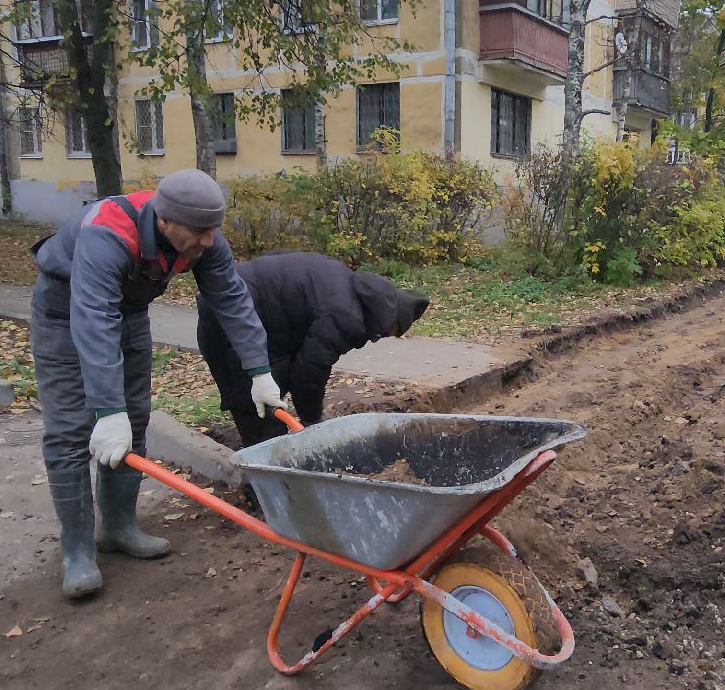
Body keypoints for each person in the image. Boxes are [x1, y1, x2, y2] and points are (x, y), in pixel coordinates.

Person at [31, 170, 283, 598]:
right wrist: (106, 411)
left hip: (128, 312)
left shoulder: (203, 238)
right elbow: (93, 321)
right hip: (63, 314)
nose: (207, 241)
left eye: (212, 231)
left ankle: (118, 526)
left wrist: (259, 370)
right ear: (164, 221)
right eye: (199, 232)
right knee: (72, 430)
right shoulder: (106, 234)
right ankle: (76, 550)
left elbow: (232, 299)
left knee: (136, 417)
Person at [197, 251, 431, 448]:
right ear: (389, 319)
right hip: (231, 315)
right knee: (258, 411)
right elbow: (309, 371)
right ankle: (266, 486)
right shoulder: (348, 316)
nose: (381, 338)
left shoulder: (346, 284)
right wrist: (313, 419)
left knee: (272, 392)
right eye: (391, 332)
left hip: (245, 307)